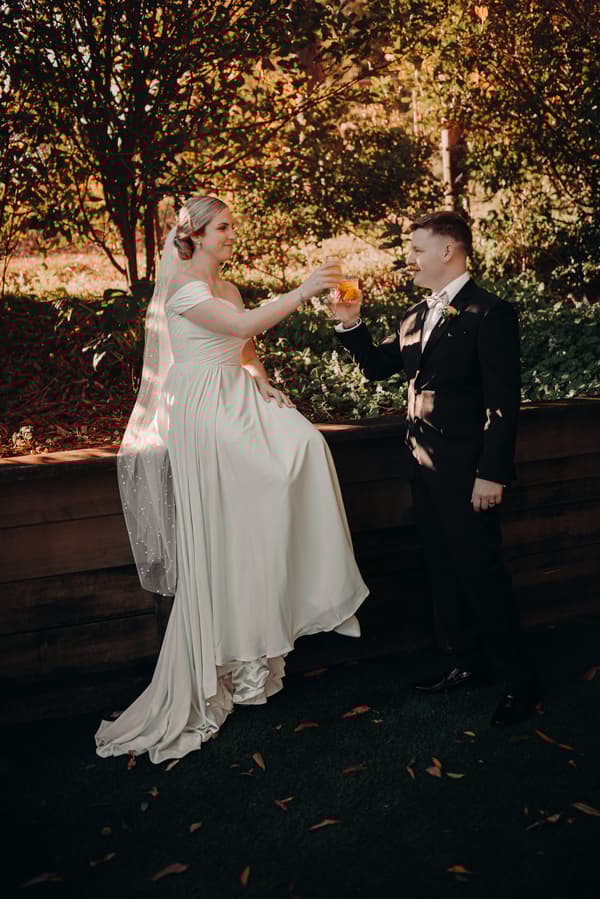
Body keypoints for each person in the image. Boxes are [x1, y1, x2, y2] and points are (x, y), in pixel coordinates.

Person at [95, 196, 368, 764]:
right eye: (223, 227)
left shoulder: (227, 287)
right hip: (201, 409)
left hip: (237, 394)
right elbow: (243, 324)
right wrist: (304, 289)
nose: (231, 235)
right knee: (232, 516)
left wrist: (262, 379)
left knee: (306, 446)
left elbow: (244, 343)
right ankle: (225, 656)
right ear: (194, 234)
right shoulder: (184, 291)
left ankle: (286, 615)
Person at [332, 210, 540, 726]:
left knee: (482, 575)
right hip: (423, 472)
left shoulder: (490, 314)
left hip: (470, 475)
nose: (410, 258)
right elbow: (381, 368)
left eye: (418, 249)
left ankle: (519, 683)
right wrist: (350, 322)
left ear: (449, 250)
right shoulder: (414, 315)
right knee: (443, 574)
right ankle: (465, 665)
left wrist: (491, 473)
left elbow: (501, 404)